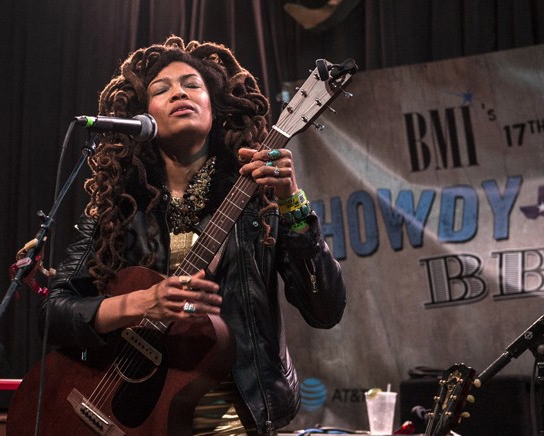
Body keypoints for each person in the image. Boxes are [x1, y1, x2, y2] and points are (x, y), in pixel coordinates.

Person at [39, 36, 346, 435]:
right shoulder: (120, 209)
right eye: (160, 89)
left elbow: (326, 310)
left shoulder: (259, 202)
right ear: (141, 116)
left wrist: (292, 202)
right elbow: (55, 314)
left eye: (192, 84)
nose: (178, 92)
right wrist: (142, 302)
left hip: (238, 420)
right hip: (138, 421)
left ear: (215, 107)